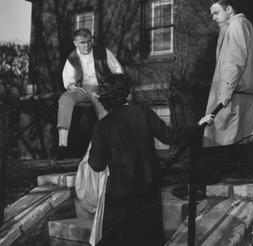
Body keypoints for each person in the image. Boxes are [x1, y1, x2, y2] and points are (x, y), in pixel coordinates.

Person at [88, 73, 214, 246]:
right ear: (126, 93)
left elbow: (96, 165)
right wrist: (198, 125)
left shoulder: (102, 126)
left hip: (120, 193)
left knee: (120, 239)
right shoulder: (142, 112)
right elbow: (170, 137)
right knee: (148, 237)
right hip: (148, 187)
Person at [202, 0, 253, 182]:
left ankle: (212, 181)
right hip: (247, 92)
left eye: (216, 12)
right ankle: (247, 174)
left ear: (229, 9)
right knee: (247, 134)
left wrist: (226, 90)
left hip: (234, 92)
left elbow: (234, 59)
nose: (213, 17)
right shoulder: (249, 27)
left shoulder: (237, 25)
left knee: (219, 133)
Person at [54, 28, 123, 160]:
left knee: (104, 114)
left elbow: (118, 71)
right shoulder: (72, 57)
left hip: (101, 90)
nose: (86, 45)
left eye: (89, 41)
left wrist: (111, 88)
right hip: (82, 90)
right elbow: (67, 78)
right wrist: (72, 85)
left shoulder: (103, 52)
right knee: (65, 98)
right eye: (82, 43)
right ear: (75, 43)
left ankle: (110, 148)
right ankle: (62, 145)